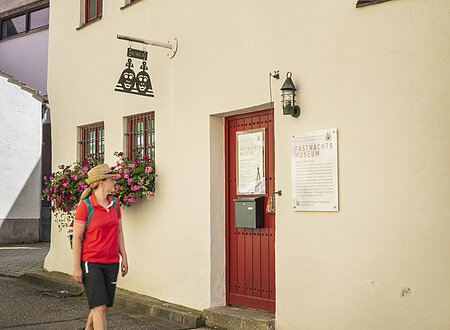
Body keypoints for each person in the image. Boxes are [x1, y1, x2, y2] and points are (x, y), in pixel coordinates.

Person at [72, 164, 128, 330]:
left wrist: (124, 256)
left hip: (111, 261)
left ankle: (88, 328)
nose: (114, 182)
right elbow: (77, 237)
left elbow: (119, 233)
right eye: (112, 179)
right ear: (102, 182)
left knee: (104, 306)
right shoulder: (85, 207)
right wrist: (77, 267)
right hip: (91, 262)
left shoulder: (115, 205)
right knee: (100, 308)